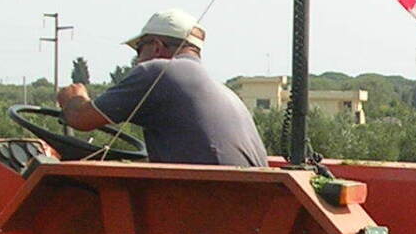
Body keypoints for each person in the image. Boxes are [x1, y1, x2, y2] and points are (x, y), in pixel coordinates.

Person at [55, 9, 269, 167]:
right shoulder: (225, 92)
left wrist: (74, 98)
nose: (137, 60)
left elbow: (81, 119)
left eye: (139, 50)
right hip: (242, 198)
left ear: (157, 47)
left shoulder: (158, 72)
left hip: (205, 200)